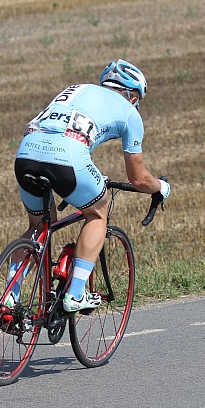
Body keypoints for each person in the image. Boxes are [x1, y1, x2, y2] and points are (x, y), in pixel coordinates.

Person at [13, 59, 170, 312]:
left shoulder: (77, 89)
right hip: (69, 160)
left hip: (26, 154)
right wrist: (160, 188)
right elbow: (138, 178)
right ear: (133, 97)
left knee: (40, 224)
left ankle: (11, 295)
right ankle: (75, 294)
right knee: (97, 212)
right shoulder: (129, 112)